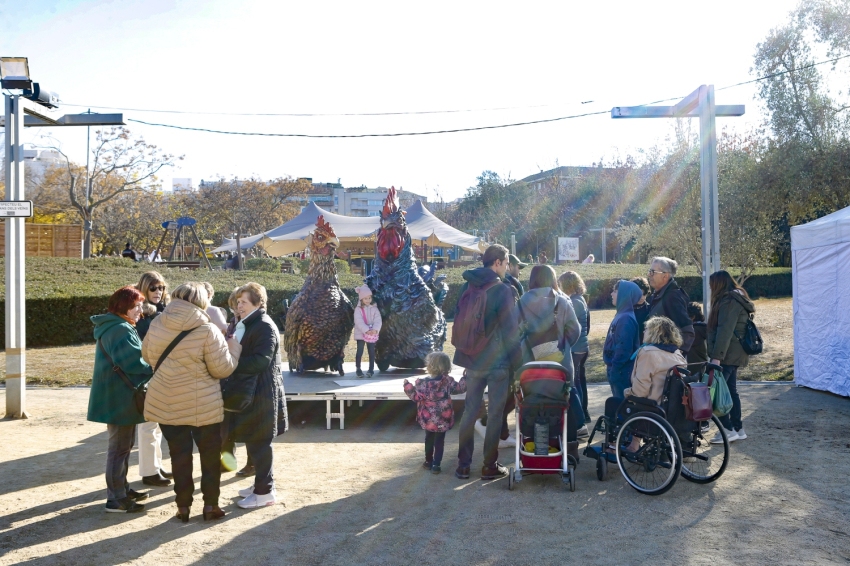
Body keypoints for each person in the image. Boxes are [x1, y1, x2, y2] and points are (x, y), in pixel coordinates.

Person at [143, 282, 241, 522]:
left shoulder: (157, 323)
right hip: (202, 404)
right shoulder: (206, 329)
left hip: (166, 401)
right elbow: (222, 369)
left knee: (179, 456)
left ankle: (183, 507)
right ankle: (210, 506)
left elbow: (147, 355)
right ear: (201, 301)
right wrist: (234, 349)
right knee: (210, 457)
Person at [453, 244, 521, 481]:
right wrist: (519, 364)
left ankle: (463, 465)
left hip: (472, 360)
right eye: (506, 263)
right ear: (498, 263)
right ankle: (488, 465)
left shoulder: (467, 285)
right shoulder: (502, 290)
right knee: (495, 414)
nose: (507, 268)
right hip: (498, 362)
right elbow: (511, 330)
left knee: (470, 411)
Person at [88, 286, 153, 513]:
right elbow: (133, 362)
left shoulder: (116, 325)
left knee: (123, 446)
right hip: (119, 396)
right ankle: (116, 498)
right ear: (124, 306)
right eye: (136, 306)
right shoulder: (120, 329)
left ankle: (122, 489)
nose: (140, 311)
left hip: (117, 394)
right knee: (119, 448)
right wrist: (155, 365)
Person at [226, 283, 286, 509]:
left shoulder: (263, 326)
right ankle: (261, 485)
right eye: (238, 301)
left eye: (243, 302)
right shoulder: (249, 323)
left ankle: (264, 492)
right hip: (255, 391)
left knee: (261, 443)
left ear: (258, 303)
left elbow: (261, 361)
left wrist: (232, 362)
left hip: (262, 394)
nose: (238, 305)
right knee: (256, 442)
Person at [518, 265, 583, 461]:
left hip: (530, 365)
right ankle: (570, 450)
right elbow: (575, 330)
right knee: (565, 402)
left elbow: (513, 332)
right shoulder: (562, 301)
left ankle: (533, 446)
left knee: (533, 402)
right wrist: (562, 346)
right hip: (560, 365)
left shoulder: (521, 303)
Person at [603, 316, 686, 452]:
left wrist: (627, 392)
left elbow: (640, 391)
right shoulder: (677, 353)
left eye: (646, 329)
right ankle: (634, 444)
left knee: (613, 403)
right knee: (639, 401)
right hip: (672, 407)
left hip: (651, 408)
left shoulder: (648, 353)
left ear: (654, 332)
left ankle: (612, 445)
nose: (643, 332)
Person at [706, 270, 756, 443]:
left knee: (713, 391)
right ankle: (738, 428)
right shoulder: (737, 298)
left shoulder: (728, 301)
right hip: (734, 352)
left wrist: (716, 357)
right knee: (730, 390)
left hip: (727, 354)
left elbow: (724, 331)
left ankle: (727, 429)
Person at [133, 271, 172, 488]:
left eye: (161, 288)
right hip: (147, 373)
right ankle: (149, 471)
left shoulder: (162, 310)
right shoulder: (142, 314)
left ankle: (156, 466)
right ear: (144, 288)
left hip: (159, 372)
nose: (158, 292)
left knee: (156, 425)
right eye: (153, 288)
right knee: (148, 425)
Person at [403, 352, 467, 474]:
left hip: (428, 420)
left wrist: (407, 386)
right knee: (439, 441)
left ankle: (428, 461)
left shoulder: (422, 383)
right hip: (443, 418)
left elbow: (415, 397)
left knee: (429, 439)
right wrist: (466, 377)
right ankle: (436, 465)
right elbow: (460, 388)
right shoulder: (448, 381)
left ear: (429, 365)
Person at [559, 271, 591, 424]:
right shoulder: (580, 299)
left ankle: (580, 418)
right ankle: (584, 413)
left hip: (576, 348)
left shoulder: (575, 302)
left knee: (575, 383)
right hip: (582, 346)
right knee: (580, 381)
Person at [646, 257, 695, 354]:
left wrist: (675, 356)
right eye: (649, 271)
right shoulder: (658, 295)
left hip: (665, 363)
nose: (649, 275)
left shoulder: (672, 297)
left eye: (652, 272)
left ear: (665, 276)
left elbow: (688, 331)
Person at [603, 280, 642, 398]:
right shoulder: (622, 315)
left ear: (624, 295)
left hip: (621, 372)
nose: (611, 294)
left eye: (615, 291)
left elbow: (623, 348)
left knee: (620, 406)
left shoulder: (626, 319)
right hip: (616, 370)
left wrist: (615, 369)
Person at [353, 285, 382, 378]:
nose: (368, 300)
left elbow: (378, 320)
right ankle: (358, 369)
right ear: (361, 299)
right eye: (365, 298)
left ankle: (371, 369)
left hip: (371, 334)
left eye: (369, 298)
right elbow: (358, 321)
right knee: (360, 351)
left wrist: (375, 329)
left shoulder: (374, 308)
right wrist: (366, 330)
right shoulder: (358, 310)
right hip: (361, 333)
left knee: (371, 351)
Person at [631, 277, 651, 343]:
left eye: (645, 294)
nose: (642, 297)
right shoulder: (625, 309)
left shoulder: (650, 309)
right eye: (639, 294)